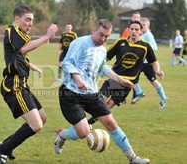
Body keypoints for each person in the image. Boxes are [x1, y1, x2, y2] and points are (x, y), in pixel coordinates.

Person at [54, 19, 150, 164]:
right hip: (70, 94)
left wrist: (120, 80)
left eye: (107, 36)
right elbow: (67, 63)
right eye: (101, 35)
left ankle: (132, 158)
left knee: (111, 123)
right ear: (94, 30)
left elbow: (103, 68)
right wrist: (78, 79)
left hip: (91, 94)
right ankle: (62, 135)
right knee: (84, 132)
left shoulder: (102, 49)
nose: (103, 39)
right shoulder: (80, 43)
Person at [0, 5, 58, 164]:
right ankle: (1, 150)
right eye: (27, 20)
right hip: (13, 86)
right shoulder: (12, 30)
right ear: (16, 19)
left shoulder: (18, 34)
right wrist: (47, 36)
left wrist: (30, 65)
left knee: (42, 118)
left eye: (32, 20)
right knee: (36, 125)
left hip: (22, 85)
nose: (30, 23)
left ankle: (6, 146)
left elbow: (18, 54)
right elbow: (23, 49)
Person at [87, 21, 164, 126]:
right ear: (128, 30)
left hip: (128, 83)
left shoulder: (145, 46)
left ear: (141, 31)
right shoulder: (120, 43)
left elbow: (154, 62)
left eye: (137, 29)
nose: (134, 31)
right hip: (114, 78)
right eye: (132, 29)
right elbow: (105, 57)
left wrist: (158, 70)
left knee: (109, 105)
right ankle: (84, 121)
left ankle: (89, 123)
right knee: (100, 101)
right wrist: (93, 65)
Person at [131, 18, 168, 109]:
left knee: (153, 81)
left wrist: (145, 50)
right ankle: (139, 92)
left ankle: (163, 98)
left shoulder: (148, 36)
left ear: (148, 26)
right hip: (140, 62)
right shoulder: (141, 35)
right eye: (141, 25)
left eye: (144, 25)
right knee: (131, 77)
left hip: (147, 63)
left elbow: (155, 48)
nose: (142, 27)